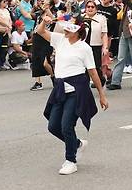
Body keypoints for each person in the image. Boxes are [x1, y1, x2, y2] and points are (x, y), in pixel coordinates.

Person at [36, 15, 108, 175]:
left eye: (70, 27)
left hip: (77, 90)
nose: (66, 29)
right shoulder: (60, 39)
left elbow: (93, 72)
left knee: (66, 125)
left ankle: (71, 160)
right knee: (53, 126)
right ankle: (77, 144)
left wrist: (101, 94)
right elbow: (40, 31)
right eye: (66, 26)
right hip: (60, 89)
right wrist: (44, 22)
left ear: (78, 31)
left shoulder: (84, 48)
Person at [83, 0, 109, 87]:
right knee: (84, 68)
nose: (90, 8)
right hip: (83, 46)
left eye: (92, 7)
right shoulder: (81, 18)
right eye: (88, 7)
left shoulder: (101, 18)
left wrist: (105, 47)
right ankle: (85, 87)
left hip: (96, 46)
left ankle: (100, 81)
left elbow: (104, 34)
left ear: (96, 8)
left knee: (95, 67)